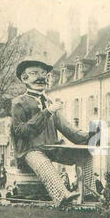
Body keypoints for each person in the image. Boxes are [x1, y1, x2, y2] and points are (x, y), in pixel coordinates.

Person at [11, 58, 92, 207]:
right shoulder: (19, 102)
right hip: (30, 150)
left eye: (44, 74)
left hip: (52, 147)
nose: (41, 77)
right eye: (35, 73)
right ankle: (62, 196)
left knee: (85, 155)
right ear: (24, 78)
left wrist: (89, 137)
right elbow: (21, 131)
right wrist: (46, 112)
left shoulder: (49, 102)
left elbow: (66, 127)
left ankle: (88, 192)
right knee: (44, 164)